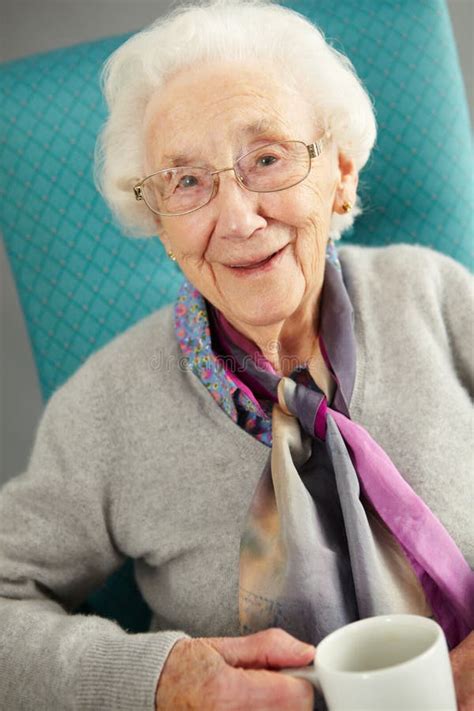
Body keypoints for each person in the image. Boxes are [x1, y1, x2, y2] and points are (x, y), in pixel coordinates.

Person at [0, 1, 473, 709]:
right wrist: (157, 679)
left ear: (340, 172)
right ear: (159, 222)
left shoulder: (433, 295)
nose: (239, 218)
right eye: (187, 182)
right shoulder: (106, 405)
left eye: (268, 159)